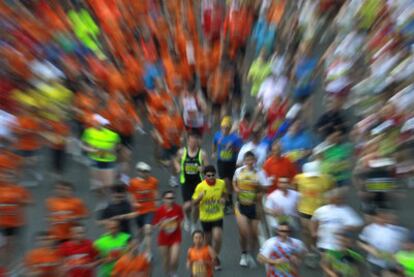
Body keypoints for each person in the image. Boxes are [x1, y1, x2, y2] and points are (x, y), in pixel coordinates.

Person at [293, 160, 334, 266]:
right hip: (305, 209)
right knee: (306, 232)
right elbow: (295, 187)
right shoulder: (299, 178)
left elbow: (332, 187)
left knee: (317, 233)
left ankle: (317, 246)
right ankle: (309, 251)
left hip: (320, 210)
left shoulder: (326, 178)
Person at [233, 151, 266, 268]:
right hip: (241, 205)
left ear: (255, 161)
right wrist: (236, 189)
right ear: (244, 161)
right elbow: (234, 182)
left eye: (251, 160)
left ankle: (251, 253)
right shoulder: (239, 171)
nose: (249, 162)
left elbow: (264, 189)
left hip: (254, 206)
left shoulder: (260, 173)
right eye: (247, 160)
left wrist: (259, 190)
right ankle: (243, 254)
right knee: (244, 233)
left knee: (254, 234)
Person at [81, 114, 120, 210]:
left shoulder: (113, 135)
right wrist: (91, 150)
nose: (97, 125)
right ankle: (101, 201)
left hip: (108, 161)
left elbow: (117, 148)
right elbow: (83, 145)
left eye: (100, 123)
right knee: (97, 185)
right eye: (96, 123)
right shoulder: (88, 132)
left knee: (108, 185)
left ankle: (107, 200)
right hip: (94, 160)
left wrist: (108, 150)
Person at [192, 165, 227, 271]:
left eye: (213, 175)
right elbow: (194, 203)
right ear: (205, 176)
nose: (211, 177)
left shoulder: (221, 183)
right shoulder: (200, 187)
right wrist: (199, 198)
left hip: (217, 215)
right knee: (207, 241)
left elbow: (224, 194)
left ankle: (215, 257)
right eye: (208, 175)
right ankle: (211, 256)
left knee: (218, 237)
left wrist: (223, 199)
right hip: (205, 217)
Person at [311, 188, 363, 253]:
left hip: (340, 244)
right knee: (326, 260)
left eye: (342, 198)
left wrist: (343, 229)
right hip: (324, 243)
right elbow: (314, 220)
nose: (341, 200)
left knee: (333, 261)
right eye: (338, 198)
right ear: (331, 198)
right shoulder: (321, 210)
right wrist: (314, 232)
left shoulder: (347, 210)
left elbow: (358, 225)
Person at [358, 209, 409, 277]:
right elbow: (361, 243)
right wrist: (370, 249)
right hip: (375, 261)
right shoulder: (369, 229)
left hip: (394, 262)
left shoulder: (403, 231)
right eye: (380, 217)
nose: (383, 218)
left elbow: (408, 246)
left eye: (386, 216)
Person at [175, 133, 208, 233]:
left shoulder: (202, 154)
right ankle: (187, 218)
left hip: (198, 183)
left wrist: (202, 168)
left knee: (196, 205)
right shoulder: (182, 152)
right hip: (186, 182)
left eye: (194, 141)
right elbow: (176, 161)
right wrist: (178, 167)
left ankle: (194, 223)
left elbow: (207, 167)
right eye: (191, 141)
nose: (192, 143)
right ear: (188, 141)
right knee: (187, 206)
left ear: (197, 142)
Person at [0, 171, 31, 268]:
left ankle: (7, 267)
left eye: (10, 177)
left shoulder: (20, 190)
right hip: (1, 223)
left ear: (14, 179)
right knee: (3, 246)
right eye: (4, 176)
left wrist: (20, 201)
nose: (7, 179)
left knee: (11, 246)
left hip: (15, 223)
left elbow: (30, 202)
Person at [212, 116, 243, 212]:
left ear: (230, 128)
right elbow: (214, 143)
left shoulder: (236, 138)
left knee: (230, 182)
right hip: (221, 161)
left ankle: (229, 199)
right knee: (225, 181)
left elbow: (240, 150)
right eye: (222, 127)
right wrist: (213, 152)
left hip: (232, 162)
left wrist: (232, 148)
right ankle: (228, 201)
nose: (224, 130)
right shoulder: (217, 135)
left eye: (226, 128)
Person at [128, 162, 158, 254]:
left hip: (150, 209)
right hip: (138, 211)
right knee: (140, 231)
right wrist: (133, 203)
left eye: (147, 171)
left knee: (147, 229)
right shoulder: (133, 182)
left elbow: (155, 191)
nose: (145, 173)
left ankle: (148, 252)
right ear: (138, 171)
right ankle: (138, 246)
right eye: (143, 171)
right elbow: (130, 194)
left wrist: (157, 201)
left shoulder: (153, 181)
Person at [152, 190, 184, 277]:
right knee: (166, 260)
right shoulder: (159, 211)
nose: (171, 200)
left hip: (175, 237)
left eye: (172, 198)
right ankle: (167, 274)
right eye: (168, 198)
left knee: (174, 258)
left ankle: (174, 272)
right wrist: (161, 224)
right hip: (163, 239)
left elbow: (181, 219)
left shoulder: (178, 208)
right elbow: (155, 225)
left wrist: (181, 224)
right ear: (163, 199)